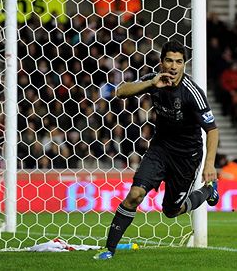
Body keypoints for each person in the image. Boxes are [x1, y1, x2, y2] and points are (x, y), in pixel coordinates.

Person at [94, 40, 220, 260]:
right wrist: (151, 83)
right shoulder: (154, 80)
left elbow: (212, 130)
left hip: (186, 157)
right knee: (135, 195)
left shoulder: (192, 93)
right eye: (169, 60)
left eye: (178, 62)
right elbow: (121, 92)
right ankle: (109, 250)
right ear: (162, 62)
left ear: (184, 64)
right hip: (160, 149)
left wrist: (209, 164)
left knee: (171, 211)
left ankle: (208, 191)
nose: (173, 66)